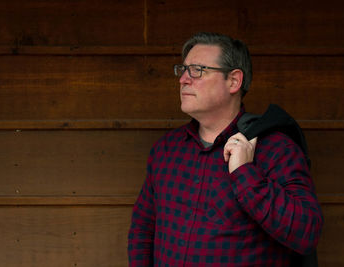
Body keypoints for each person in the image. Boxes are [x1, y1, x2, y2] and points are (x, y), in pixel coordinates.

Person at [128, 32, 323, 266]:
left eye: (197, 70)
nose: (183, 80)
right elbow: (143, 228)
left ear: (233, 81)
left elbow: (306, 233)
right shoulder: (166, 150)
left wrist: (245, 174)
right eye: (183, 70)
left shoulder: (276, 150)